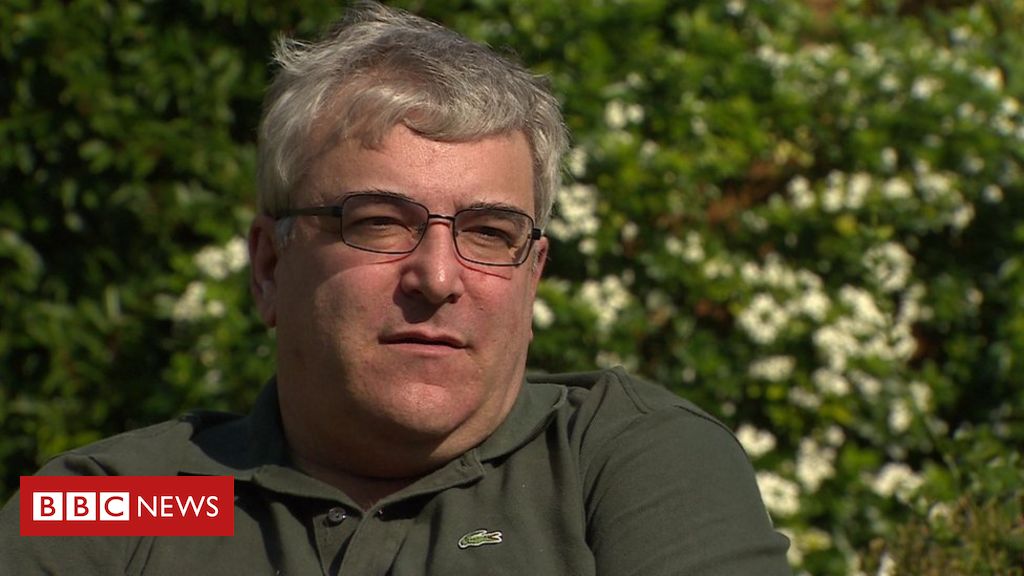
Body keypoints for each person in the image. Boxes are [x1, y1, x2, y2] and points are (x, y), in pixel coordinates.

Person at [0, 2, 791, 574]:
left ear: (533, 277)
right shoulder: (137, 501)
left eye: (490, 233)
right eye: (378, 223)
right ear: (269, 267)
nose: (438, 279)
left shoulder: (616, 465)